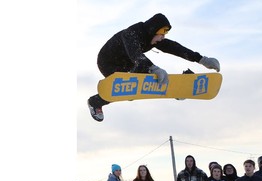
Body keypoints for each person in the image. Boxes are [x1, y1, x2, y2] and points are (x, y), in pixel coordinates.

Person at [87, 13, 221, 122]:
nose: (162, 38)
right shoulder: (131, 33)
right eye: (161, 34)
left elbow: (175, 48)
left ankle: (178, 89)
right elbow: (135, 54)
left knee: (135, 87)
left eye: (164, 35)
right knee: (127, 90)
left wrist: (201, 59)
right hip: (108, 62)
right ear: (153, 30)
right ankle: (95, 102)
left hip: (128, 62)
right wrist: (153, 68)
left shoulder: (152, 37)